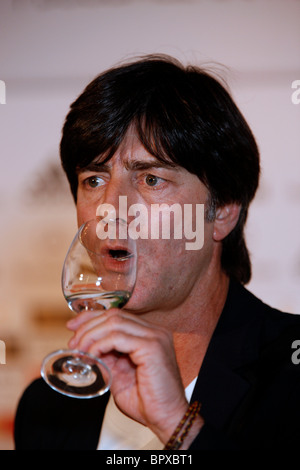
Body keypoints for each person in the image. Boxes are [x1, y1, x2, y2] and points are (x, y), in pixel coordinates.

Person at [14, 54, 300, 450]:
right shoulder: (49, 406)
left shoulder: (291, 375)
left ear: (223, 210)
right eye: (94, 179)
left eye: (151, 179)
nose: (112, 209)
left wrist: (178, 425)